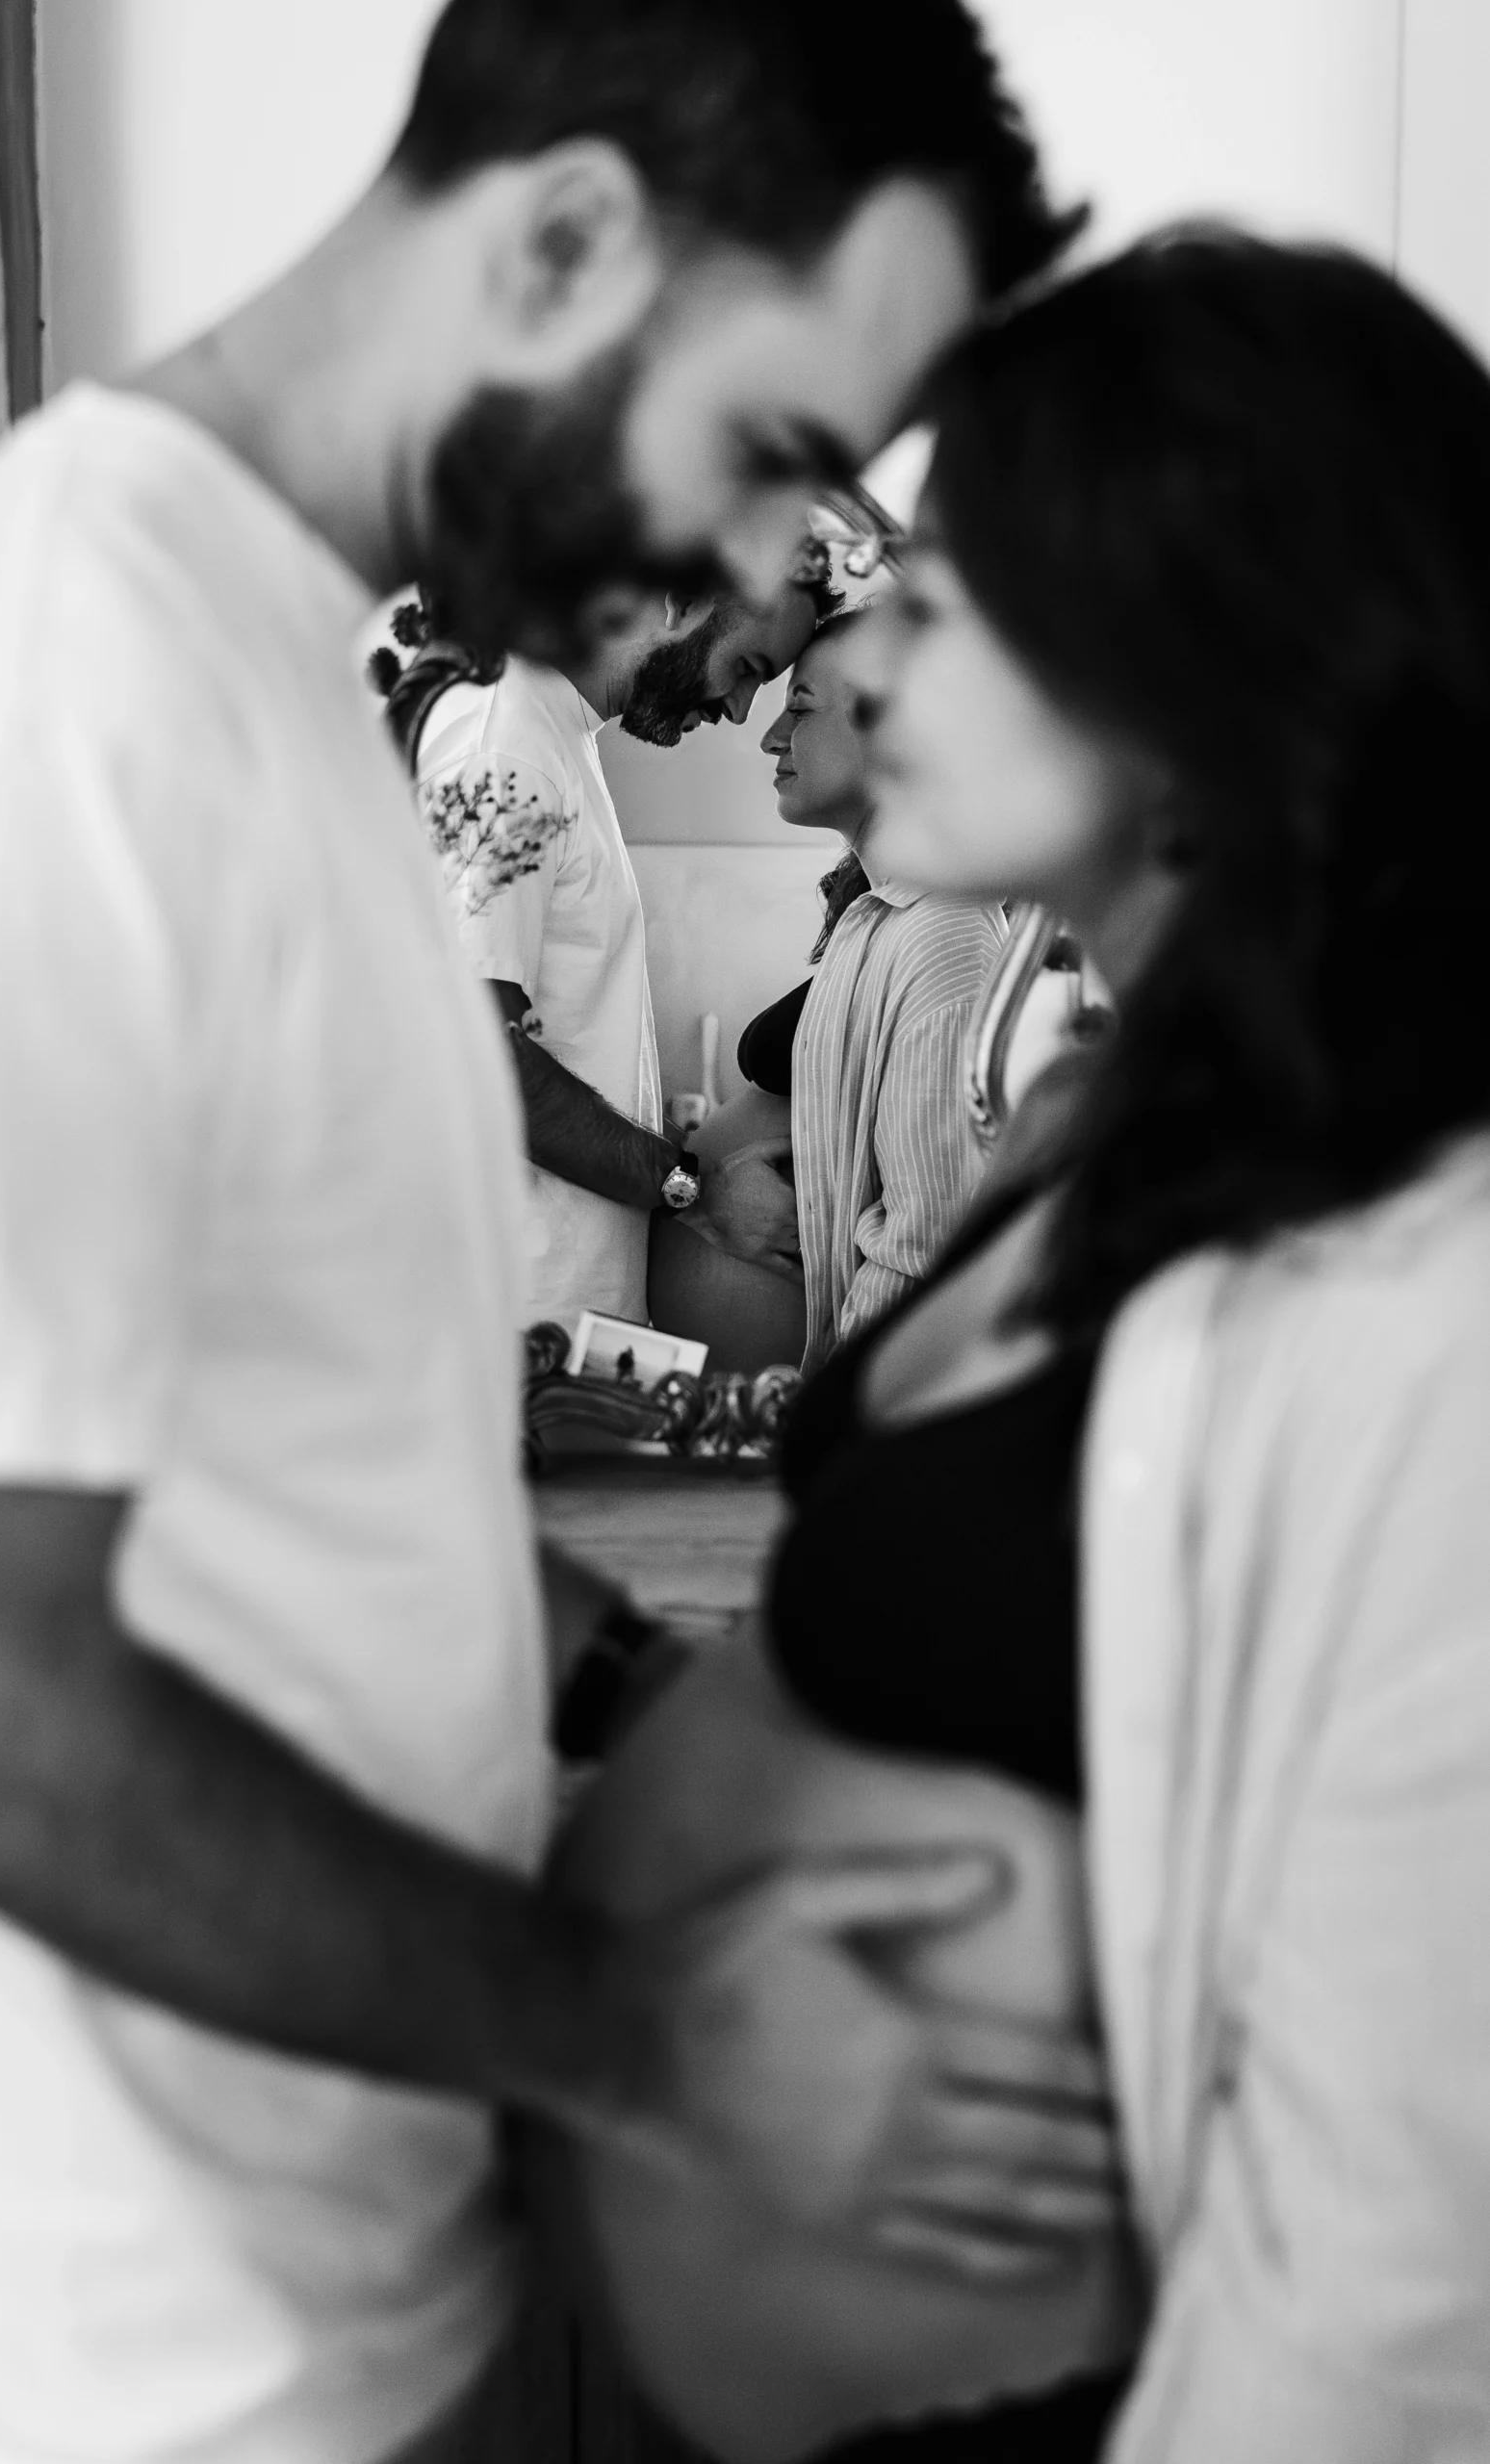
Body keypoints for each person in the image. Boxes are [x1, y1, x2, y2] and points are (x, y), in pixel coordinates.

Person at [0, 4, 1089, 2460]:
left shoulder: (298, 690)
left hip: (369, 2266)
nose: (771, 577)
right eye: (768, 450)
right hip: (132, 2375)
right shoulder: (48, 692)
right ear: (556, 240)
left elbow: (313, 1456)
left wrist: (634, 1691)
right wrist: (642, 2027)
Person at [551, 228, 1490, 2464]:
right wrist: (620, 1690)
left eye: (945, 596)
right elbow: (1042, 1686)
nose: (856, 654)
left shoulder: (1421, 1286)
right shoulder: (1113, 1112)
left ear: (1189, 674)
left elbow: (1390, 2254)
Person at [411, 575, 832, 1332]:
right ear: (677, 599)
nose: (740, 711)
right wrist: (694, 1189)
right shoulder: (505, 747)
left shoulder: (551, 732)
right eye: (748, 668)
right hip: (508, 1323)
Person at [758, 607, 1004, 1372]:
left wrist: (831, 1419)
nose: (770, 738)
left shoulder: (946, 940)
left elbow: (924, 1253)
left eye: (799, 708)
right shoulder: (870, 919)